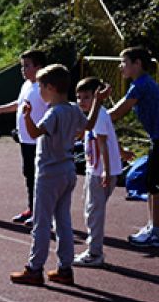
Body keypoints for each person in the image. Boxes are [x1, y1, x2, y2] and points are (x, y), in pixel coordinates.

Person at [10, 64, 99, 286]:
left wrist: (28, 116)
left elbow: (34, 132)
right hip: (67, 170)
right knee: (63, 221)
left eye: (41, 86)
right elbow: (89, 125)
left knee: (41, 222)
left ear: (50, 88)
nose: (39, 91)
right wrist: (98, 101)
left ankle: (34, 267)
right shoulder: (72, 109)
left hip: (49, 173)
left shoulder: (54, 112)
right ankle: (65, 268)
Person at [99, 47, 159, 248]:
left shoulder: (140, 85)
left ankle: (158, 233)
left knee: (155, 184)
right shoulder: (139, 84)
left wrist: (89, 117)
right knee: (151, 183)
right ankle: (153, 226)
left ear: (137, 64)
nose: (121, 67)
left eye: (124, 62)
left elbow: (117, 113)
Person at [0, 50, 48, 224]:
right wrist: (0, 109)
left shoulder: (45, 87)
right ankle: (32, 208)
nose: (23, 69)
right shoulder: (26, 85)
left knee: (39, 177)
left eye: (27, 65)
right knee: (29, 175)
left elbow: (53, 110)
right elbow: (18, 104)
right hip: (25, 140)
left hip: (39, 141)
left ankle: (42, 213)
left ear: (39, 67)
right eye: (22, 66)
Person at [74, 77, 123, 267]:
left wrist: (106, 171)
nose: (81, 101)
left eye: (86, 97)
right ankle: (93, 250)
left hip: (100, 172)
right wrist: (121, 151)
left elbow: (103, 144)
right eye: (79, 97)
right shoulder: (96, 115)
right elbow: (110, 137)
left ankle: (95, 253)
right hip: (94, 169)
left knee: (95, 212)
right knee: (90, 209)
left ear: (97, 96)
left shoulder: (99, 116)